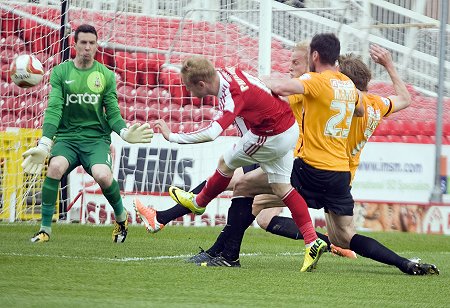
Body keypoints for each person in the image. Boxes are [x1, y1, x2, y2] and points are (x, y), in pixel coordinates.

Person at [263, 34, 439, 275]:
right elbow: (405, 99)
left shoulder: (329, 96)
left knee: (257, 205)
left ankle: (223, 242)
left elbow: (292, 94)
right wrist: (389, 65)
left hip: (316, 168)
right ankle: (404, 263)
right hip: (342, 177)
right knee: (344, 237)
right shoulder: (374, 104)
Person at [154, 54, 327, 272]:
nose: (189, 92)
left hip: (271, 133)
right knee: (282, 187)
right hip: (288, 128)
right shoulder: (229, 72)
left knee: (225, 162)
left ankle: (199, 202)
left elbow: (212, 133)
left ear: (201, 84)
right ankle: (312, 241)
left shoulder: (231, 94)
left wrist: (173, 136)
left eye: (189, 87)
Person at [22, 24, 153, 243]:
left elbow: (112, 113)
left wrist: (123, 131)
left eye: (92, 43)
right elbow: (54, 109)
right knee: (54, 167)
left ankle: (121, 218)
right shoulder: (61, 73)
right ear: (74, 45)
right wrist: (45, 144)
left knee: (103, 175)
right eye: (83, 42)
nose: (87, 47)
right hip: (67, 139)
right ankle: (45, 229)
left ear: (96, 45)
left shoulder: (106, 75)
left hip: (96, 140)